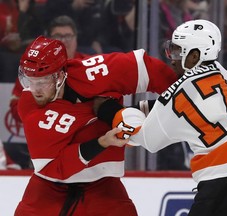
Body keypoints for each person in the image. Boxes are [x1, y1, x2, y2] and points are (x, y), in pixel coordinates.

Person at [95, 19, 227, 216]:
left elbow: (145, 138)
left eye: (178, 51)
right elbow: (181, 109)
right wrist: (142, 109)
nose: (172, 58)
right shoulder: (224, 74)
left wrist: (107, 110)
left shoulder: (178, 93)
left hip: (224, 182)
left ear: (194, 56)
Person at [14, 35, 177, 215]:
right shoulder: (29, 107)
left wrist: (183, 99)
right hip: (46, 193)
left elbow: (146, 68)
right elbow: (56, 168)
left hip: (103, 188)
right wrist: (103, 139)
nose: (34, 89)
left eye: (42, 81)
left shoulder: (91, 73)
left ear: (60, 75)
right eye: (30, 80)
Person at [9, 15, 89, 169]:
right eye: (58, 36)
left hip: (83, 147)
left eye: (68, 36)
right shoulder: (33, 70)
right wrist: (44, 114)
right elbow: (15, 106)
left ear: (76, 39)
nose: (64, 41)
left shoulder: (87, 66)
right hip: (42, 146)